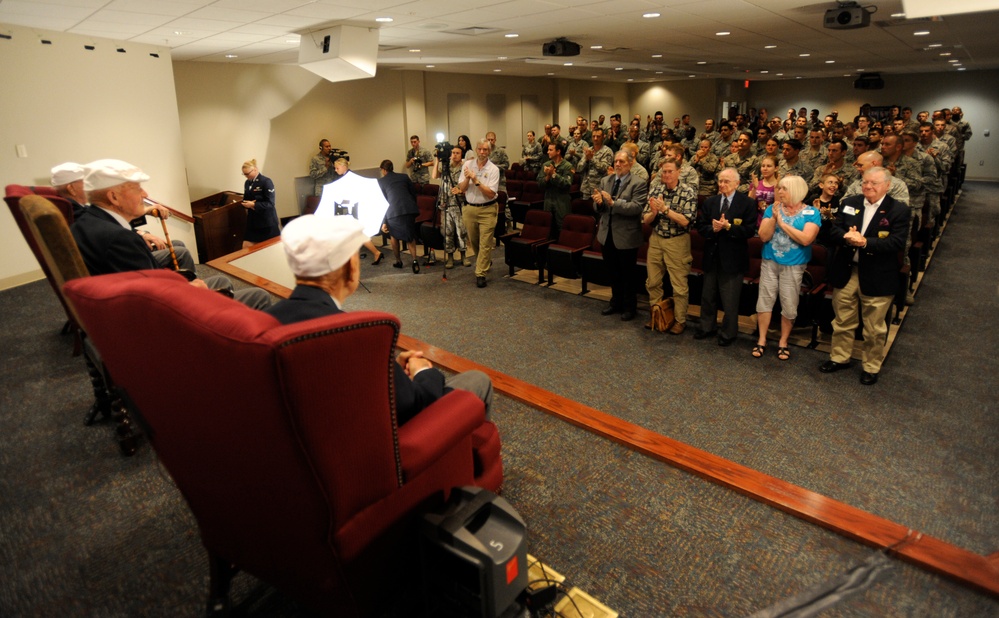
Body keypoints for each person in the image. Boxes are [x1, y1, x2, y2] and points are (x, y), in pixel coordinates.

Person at [266, 215, 493, 424]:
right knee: (477, 380)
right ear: (350, 268)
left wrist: (389, 366)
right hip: (382, 445)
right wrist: (424, 371)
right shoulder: (359, 337)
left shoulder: (267, 320)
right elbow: (415, 403)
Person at [71, 159, 271, 310]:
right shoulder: (120, 240)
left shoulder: (85, 223)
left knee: (222, 281)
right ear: (113, 197)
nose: (145, 195)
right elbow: (152, 303)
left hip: (123, 314)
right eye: (137, 188)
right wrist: (191, 291)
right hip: (167, 321)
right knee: (258, 295)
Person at [818, 167, 909, 385]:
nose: (867, 186)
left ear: (887, 185)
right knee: (842, 320)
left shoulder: (898, 210)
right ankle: (840, 357)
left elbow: (897, 242)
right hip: (848, 271)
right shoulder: (850, 202)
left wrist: (866, 242)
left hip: (878, 275)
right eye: (865, 182)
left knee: (874, 328)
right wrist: (847, 236)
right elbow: (834, 231)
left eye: (873, 183)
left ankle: (871, 366)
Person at [753, 176, 821, 361]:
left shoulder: (812, 212)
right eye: (779, 188)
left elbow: (806, 239)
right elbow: (764, 236)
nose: (779, 192)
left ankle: (783, 342)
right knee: (764, 301)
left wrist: (783, 224)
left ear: (796, 190)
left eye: (784, 188)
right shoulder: (772, 209)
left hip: (794, 266)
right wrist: (774, 219)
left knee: (789, 304)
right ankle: (761, 339)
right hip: (770, 262)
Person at [694, 168, 757, 346]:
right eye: (720, 181)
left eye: (726, 181)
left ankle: (728, 333)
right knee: (708, 295)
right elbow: (701, 227)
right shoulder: (710, 202)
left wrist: (729, 227)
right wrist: (712, 229)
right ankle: (707, 327)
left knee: (730, 300)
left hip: (733, 259)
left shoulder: (747, 203)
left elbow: (749, 231)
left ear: (737, 183)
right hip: (712, 256)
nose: (722, 184)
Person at [592, 149, 648, 322]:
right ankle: (615, 302)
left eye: (622, 162)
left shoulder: (638, 182)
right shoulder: (605, 180)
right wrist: (599, 204)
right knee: (612, 272)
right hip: (606, 234)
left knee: (627, 274)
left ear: (630, 163)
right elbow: (597, 208)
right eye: (616, 161)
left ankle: (630, 307)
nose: (617, 164)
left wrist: (613, 203)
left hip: (626, 236)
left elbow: (636, 208)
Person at [643, 160, 697, 334]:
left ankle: (680, 320)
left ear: (678, 172)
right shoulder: (656, 189)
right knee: (652, 282)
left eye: (670, 171)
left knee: (679, 285)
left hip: (677, 241)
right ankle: (657, 315)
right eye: (664, 171)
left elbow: (686, 221)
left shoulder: (688, 192)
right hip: (657, 239)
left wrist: (665, 210)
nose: (666, 175)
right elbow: (646, 219)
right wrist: (654, 212)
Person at [459, 138, 500, 288]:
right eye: (480, 149)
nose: (482, 152)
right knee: (474, 241)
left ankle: (480, 273)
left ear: (489, 151)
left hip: (487, 210)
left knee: (485, 243)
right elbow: (462, 188)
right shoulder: (467, 165)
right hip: (470, 209)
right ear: (476, 150)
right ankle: (484, 261)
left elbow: (490, 193)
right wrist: (468, 178)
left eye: (485, 150)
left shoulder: (494, 169)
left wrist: (475, 179)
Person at [377, 159, 420, 273]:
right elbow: (413, 193)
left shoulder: (381, 182)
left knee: (394, 236)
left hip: (393, 212)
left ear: (384, 170)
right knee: (410, 236)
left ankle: (398, 261)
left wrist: (384, 221)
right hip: (409, 209)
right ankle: (415, 260)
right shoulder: (404, 177)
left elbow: (383, 202)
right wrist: (412, 206)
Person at [433, 145, 471, 268]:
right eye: (453, 152)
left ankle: (463, 255)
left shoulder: (465, 168)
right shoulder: (445, 167)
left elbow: (468, 186)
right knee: (447, 232)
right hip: (445, 203)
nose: (454, 155)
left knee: (461, 231)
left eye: (457, 153)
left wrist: (460, 190)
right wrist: (437, 160)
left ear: (461, 155)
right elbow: (434, 176)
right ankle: (450, 257)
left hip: (458, 203)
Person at [240, 158, 279, 248]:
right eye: (244, 174)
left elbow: (270, 203)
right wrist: (245, 204)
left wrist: (254, 205)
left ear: (255, 170)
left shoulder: (266, 181)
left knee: (270, 249)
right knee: (246, 247)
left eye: (247, 174)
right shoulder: (247, 183)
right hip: (253, 221)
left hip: (266, 221)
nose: (246, 176)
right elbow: (246, 198)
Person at [538, 142, 573, 236]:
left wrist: (553, 174)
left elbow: (567, 184)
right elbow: (539, 183)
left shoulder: (567, 166)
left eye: (550, 150)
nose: (548, 152)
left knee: (561, 228)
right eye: (548, 150)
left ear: (558, 151)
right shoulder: (546, 165)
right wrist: (548, 177)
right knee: (547, 227)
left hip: (561, 201)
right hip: (548, 200)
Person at [748, 156, 779, 227]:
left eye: (769, 166)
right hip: (755, 222)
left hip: (773, 223)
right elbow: (749, 205)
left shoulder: (780, 185)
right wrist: (754, 188)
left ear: (776, 168)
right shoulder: (755, 184)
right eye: (763, 166)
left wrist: (776, 189)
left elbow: (779, 206)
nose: (765, 168)